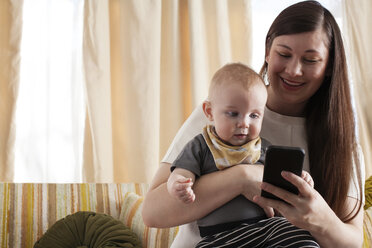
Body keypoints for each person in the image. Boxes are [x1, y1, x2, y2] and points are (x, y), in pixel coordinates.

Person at [142, 1, 365, 247]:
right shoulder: (223, 112)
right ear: (267, 51)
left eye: (310, 60)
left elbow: (353, 242)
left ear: (330, 66)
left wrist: (317, 217)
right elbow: (152, 213)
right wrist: (242, 176)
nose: (294, 70)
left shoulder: (341, 139)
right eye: (284, 54)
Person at [167, 63, 318, 247]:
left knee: (300, 234)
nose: (244, 123)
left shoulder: (264, 149)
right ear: (209, 112)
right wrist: (178, 184)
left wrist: (302, 178)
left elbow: (284, 183)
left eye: (254, 116)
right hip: (217, 237)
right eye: (233, 114)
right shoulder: (201, 145)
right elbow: (181, 172)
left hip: (263, 228)